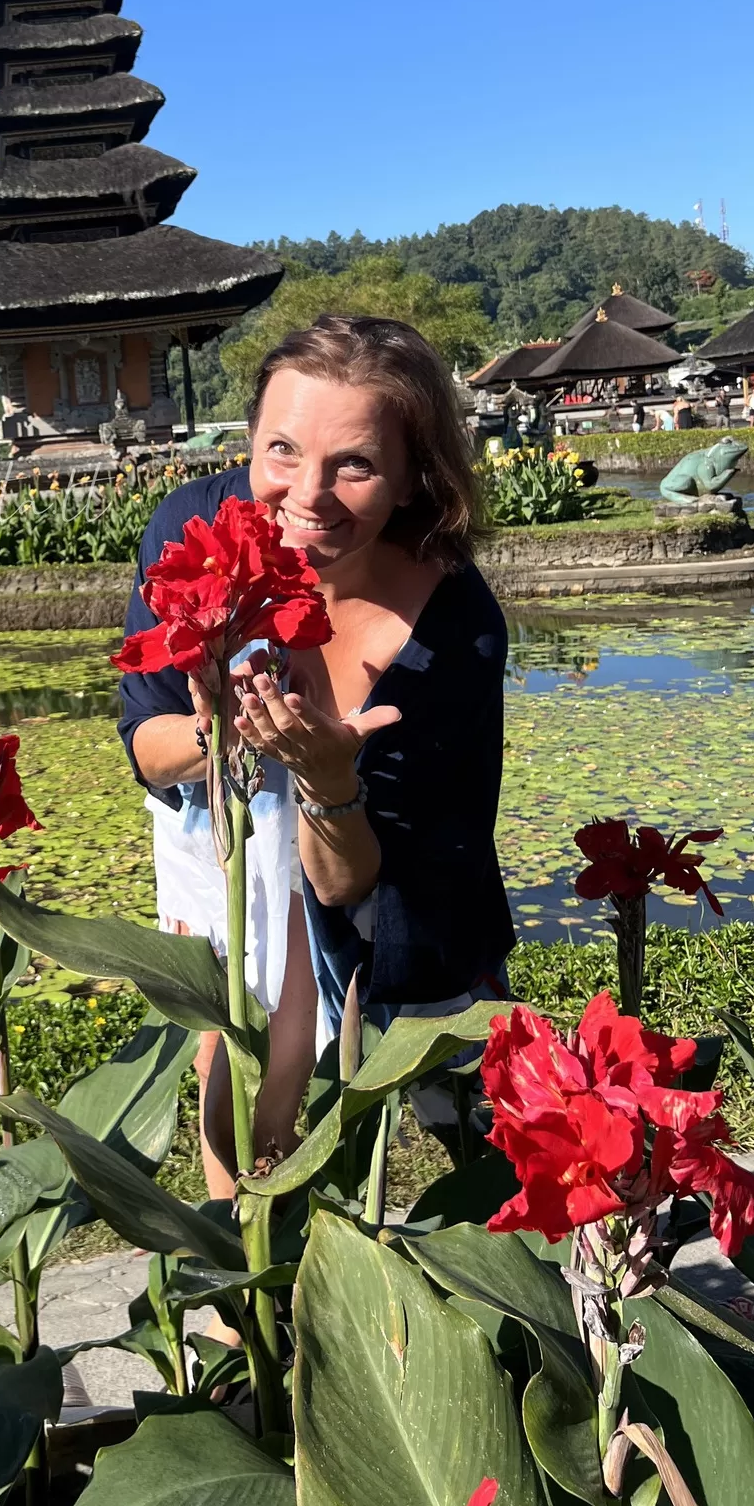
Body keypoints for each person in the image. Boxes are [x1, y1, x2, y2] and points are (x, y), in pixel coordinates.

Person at [118, 315, 514, 1201]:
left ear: (414, 476)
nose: (307, 495)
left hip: (375, 849)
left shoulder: (455, 627)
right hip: (218, 807)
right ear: (250, 441)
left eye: (356, 464)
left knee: (428, 1078)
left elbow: (356, 885)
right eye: (282, 450)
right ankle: (249, 1261)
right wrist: (223, 734)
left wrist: (328, 779)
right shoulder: (194, 529)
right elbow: (148, 747)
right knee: (234, 1029)